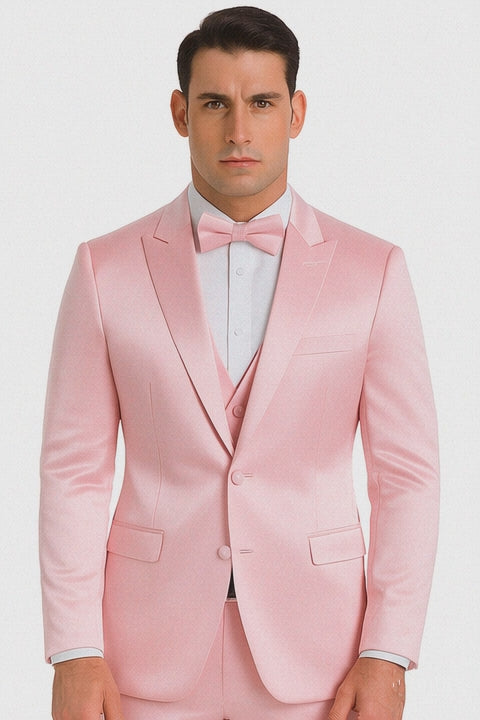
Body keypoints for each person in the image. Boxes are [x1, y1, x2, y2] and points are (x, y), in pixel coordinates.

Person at [39, 6, 440, 720]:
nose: (238, 131)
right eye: (214, 104)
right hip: (142, 655)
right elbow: (73, 471)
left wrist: (388, 651)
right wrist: (74, 649)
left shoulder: (373, 271)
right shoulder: (105, 269)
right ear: (180, 113)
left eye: (261, 102)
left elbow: (406, 476)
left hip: (322, 656)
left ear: (296, 113)